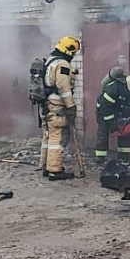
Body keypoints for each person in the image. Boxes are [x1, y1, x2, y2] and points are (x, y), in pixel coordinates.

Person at [44, 35, 81, 181]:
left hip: (48, 104)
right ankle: (54, 170)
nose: (74, 55)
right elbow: (63, 88)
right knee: (58, 137)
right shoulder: (63, 64)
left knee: (49, 136)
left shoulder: (52, 60)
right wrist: (71, 106)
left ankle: (47, 166)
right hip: (58, 105)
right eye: (74, 52)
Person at [95, 72, 130, 163]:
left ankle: (124, 155)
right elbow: (105, 109)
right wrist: (113, 125)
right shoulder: (113, 89)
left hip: (118, 109)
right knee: (103, 131)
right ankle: (100, 156)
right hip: (104, 111)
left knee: (125, 130)